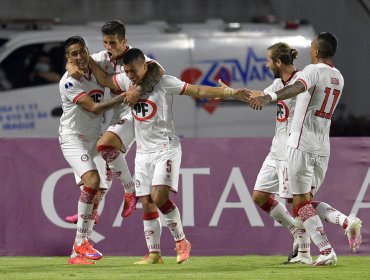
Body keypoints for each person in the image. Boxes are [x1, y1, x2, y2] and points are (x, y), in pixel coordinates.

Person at [90, 48, 249, 264]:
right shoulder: (128, 83)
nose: (130, 76)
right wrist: (87, 59)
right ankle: (154, 253)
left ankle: (181, 241)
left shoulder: (164, 82)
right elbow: (106, 79)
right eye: (127, 72)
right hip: (143, 152)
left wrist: (230, 93)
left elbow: (198, 91)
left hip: (166, 148)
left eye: (133, 71)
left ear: (145, 66)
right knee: (146, 202)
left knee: (159, 197)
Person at [250, 32, 362, 266]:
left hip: (300, 143)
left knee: (300, 204)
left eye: (311, 47)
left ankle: (326, 250)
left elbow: (298, 88)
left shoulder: (311, 71)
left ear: (316, 51)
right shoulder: (338, 77)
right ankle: (342, 223)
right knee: (302, 203)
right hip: (322, 147)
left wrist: (271, 97)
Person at [65, 20, 164, 223]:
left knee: (104, 146)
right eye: (105, 42)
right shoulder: (102, 58)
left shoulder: (136, 58)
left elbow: (158, 71)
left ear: (124, 41)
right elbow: (81, 59)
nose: (108, 48)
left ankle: (131, 191)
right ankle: (94, 210)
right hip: (119, 117)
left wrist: (138, 88)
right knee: (103, 163)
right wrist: (70, 64)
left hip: (138, 114)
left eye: (113, 43)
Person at [59, 36, 132, 265]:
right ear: (67, 58)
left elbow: (115, 55)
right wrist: (124, 97)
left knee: (98, 189)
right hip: (73, 138)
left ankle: (76, 253)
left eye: (82, 51)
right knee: (91, 181)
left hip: (94, 137)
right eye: (74, 54)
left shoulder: (96, 64)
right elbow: (93, 108)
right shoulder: (68, 82)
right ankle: (81, 242)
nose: (79, 57)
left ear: (88, 51)